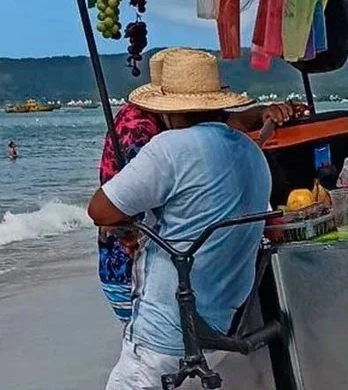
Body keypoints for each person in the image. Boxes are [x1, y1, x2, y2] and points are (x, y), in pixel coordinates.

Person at [88, 48, 273, 389]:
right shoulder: (252, 153)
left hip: (162, 339)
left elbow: (100, 210)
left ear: (171, 111)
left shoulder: (170, 149)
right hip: (220, 327)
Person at [97, 48, 297, 323]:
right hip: (130, 266)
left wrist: (264, 112)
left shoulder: (186, 125)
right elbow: (112, 210)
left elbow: (230, 123)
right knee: (161, 349)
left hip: (176, 278)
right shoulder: (141, 133)